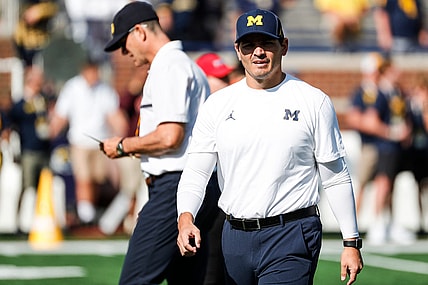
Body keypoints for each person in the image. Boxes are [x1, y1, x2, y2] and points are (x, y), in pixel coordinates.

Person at [176, 8, 363, 285]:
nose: (258, 52)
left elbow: (335, 176)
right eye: (249, 45)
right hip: (234, 235)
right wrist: (185, 218)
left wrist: (351, 241)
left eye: (267, 43)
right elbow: (196, 172)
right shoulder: (217, 105)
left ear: (283, 46)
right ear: (238, 51)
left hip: (291, 233)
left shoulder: (313, 101)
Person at [101, 2, 220, 284]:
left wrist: (123, 146)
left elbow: (170, 136)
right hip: (187, 185)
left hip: (177, 185)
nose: (124, 51)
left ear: (140, 32)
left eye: (123, 42)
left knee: (135, 279)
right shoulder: (180, 65)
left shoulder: (170, 66)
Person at [49, 59, 128, 226]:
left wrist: (123, 134)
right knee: (83, 178)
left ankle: (91, 211)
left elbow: (114, 116)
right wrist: (52, 130)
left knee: (98, 179)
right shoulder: (72, 88)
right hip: (79, 141)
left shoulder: (105, 90)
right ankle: (86, 217)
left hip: (99, 142)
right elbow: (61, 114)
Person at [6, 66, 52, 233]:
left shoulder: (43, 100)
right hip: (28, 150)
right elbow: (11, 120)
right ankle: (19, 223)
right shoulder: (21, 103)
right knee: (26, 187)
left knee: (44, 187)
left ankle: (40, 221)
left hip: (44, 149)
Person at [346, 53, 385, 214]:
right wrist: (386, 131)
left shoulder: (380, 91)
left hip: (382, 146)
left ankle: (379, 220)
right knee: (363, 184)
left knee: (382, 183)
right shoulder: (365, 91)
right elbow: (356, 119)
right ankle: (352, 223)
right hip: (370, 145)